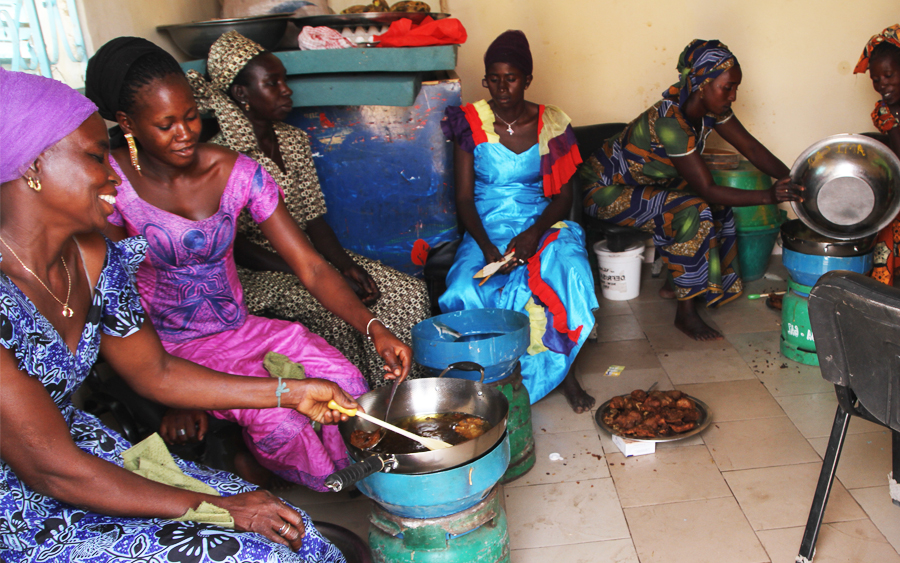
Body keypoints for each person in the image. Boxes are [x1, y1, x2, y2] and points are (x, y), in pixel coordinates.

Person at [0, 67, 353, 562]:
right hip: (25, 497)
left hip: (82, 454)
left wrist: (291, 393)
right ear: (32, 166)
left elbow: (156, 370)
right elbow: (48, 470)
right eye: (95, 156)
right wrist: (220, 507)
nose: (111, 174)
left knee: (295, 531)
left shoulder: (92, 258)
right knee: (252, 550)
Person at [83, 38, 412, 491]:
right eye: (166, 124)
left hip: (239, 330)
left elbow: (310, 267)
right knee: (283, 423)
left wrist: (373, 328)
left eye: (191, 116)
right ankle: (272, 469)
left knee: (345, 381)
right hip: (165, 348)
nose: (185, 133)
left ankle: (328, 478)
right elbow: (118, 301)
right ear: (128, 123)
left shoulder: (233, 170)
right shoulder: (109, 188)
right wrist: (169, 394)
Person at [188, 31, 430, 388]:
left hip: (310, 259)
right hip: (259, 271)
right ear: (242, 95)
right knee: (338, 317)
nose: (287, 90)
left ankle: (409, 396)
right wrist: (307, 270)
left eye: (285, 80)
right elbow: (237, 246)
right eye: (273, 83)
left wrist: (345, 265)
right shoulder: (220, 156)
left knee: (408, 293)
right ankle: (365, 411)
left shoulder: (293, 140)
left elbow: (314, 218)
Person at [581, 39, 804, 341]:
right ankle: (685, 314)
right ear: (702, 84)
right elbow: (707, 189)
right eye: (728, 87)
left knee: (719, 207)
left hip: (643, 184)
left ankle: (677, 284)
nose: (733, 95)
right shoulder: (669, 121)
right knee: (692, 208)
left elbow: (750, 147)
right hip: (602, 191)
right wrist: (769, 195)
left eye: (736, 87)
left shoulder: (711, 110)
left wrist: (794, 178)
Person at [439, 30, 599, 413]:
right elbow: (463, 197)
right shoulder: (470, 122)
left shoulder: (552, 123)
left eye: (511, 78)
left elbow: (564, 197)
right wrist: (487, 247)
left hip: (540, 221)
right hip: (487, 227)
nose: (502, 87)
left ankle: (566, 374)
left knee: (568, 272)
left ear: (527, 79)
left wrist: (533, 234)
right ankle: (492, 379)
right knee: (466, 286)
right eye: (493, 78)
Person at [854, 24, 900, 287]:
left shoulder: (889, 110)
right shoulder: (884, 110)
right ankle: (878, 293)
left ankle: (880, 291)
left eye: (889, 75)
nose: (882, 84)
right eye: (875, 79)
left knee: (889, 227)